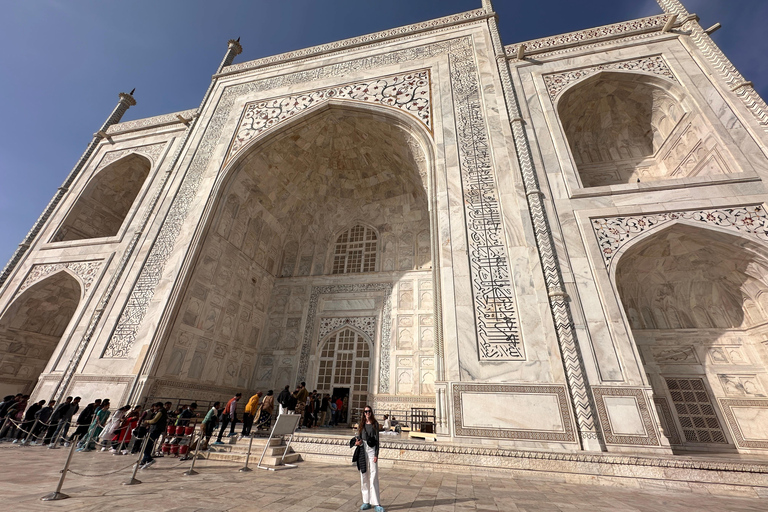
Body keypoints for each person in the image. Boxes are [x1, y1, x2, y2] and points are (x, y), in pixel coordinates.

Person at [354, 406, 384, 512]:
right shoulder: (361, 425)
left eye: (369, 411)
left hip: (372, 449)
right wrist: (357, 442)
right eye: (365, 411)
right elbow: (358, 437)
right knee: (364, 474)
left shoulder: (375, 424)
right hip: (363, 449)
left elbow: (377, 440)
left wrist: (376, 454)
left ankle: (376, 503)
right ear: (363, 413)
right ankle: (366, 501)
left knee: (374, 474)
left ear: (371, 412)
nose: (367, 413)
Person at [141, 402, 168, 469]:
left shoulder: (160, 412)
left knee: (146, 445)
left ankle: (149, 459)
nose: (154, 409)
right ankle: (143, 461)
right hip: (156, 430)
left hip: (155, 430)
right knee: (149, 445)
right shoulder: (163, 412)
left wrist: (147, 421)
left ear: (158, 406)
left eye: (155, 407)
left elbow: (154, 420)